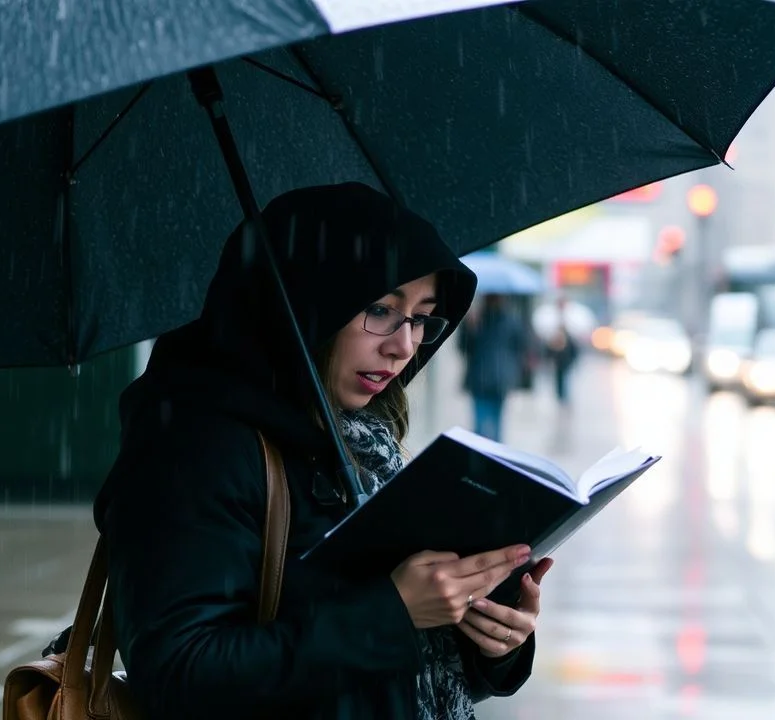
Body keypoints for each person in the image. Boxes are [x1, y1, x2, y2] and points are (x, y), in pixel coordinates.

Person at [94, 183, 552, 719]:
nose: (403, 345)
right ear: (309, 302)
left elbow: (397, 675)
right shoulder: (199, 447)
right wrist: (393, 613)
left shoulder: (360, 440)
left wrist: (492, 640)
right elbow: (179, 674)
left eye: (421, 317)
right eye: (380, 309)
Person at [457, 294, 528, 441]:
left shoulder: (510, 320)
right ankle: (483, 452)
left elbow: (521, 346)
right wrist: (469, 329)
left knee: (494, 425)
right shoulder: (477, 320)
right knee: (482, 425)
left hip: (497, 380)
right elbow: (464, 347)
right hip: (481, 379)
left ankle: (489, 453)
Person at [544, 297, 580, 406]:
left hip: (567, 357)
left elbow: (574, 345)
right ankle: (560, 397)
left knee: (565, 378)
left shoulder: (571, 317)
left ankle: (563, 397)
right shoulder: (551, 318)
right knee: (559, 378)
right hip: (558, 358)